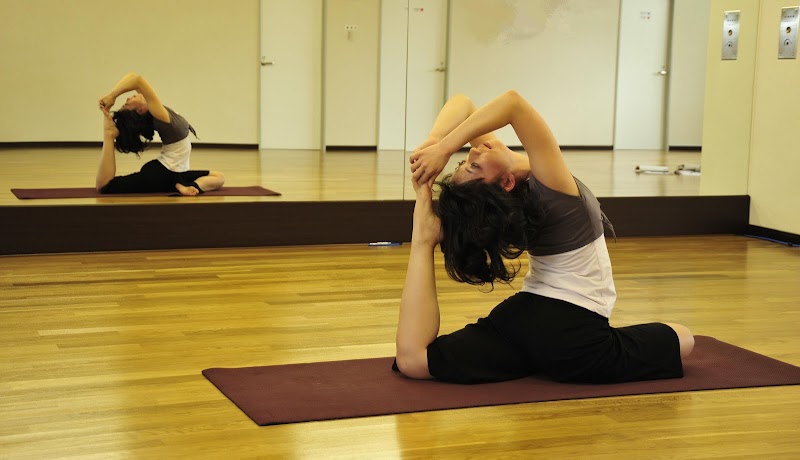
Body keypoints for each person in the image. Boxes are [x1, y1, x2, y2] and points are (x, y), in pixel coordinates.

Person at [394, 90, 694, 384]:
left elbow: (464, 104)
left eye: (464, 162)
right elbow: (513, 105)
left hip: (522, 319)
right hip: (576, 336)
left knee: (414, 360)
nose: (472, 150)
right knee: (684, 338)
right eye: (473, 165)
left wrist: (434, 144)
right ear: (506, 183)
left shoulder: (513, 192)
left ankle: (423, 238)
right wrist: (445, 149)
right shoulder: (551, 186)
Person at [96, 72, 224, 195]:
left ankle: (184, 186)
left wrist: (112, 95)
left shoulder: (154, 111)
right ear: (140, 111)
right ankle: (109, 134)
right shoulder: (159, 115)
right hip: (161, 173)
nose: (129, 97)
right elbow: (137, 80)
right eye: (127, 103)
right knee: (106, 186)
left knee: (219, 178)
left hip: (174, 172)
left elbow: (133, 77)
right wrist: (112, 96)